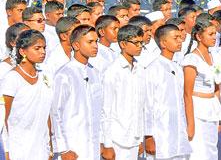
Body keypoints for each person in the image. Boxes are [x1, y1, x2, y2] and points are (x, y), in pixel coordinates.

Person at [50, 25, 102, 160]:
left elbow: (100, 110)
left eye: (96, 41)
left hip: (94, 144)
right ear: (76, 45)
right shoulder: (64, 74)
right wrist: (63, 149)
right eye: (90, 42)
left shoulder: (95, 72)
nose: (95, 46)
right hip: (73, 146)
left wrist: (103, 141)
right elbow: (56, 113)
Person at [143, 24, 192, 159]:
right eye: (175, 38)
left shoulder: (176, 67)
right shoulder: (154, 68)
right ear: (163, 43)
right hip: (160, 131)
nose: (180, 40)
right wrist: (148, 136)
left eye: (180, 37)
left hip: (178, 129)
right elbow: (147, 104)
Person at [2, 30, 52, 159]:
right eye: (37, 48)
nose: (43, 52)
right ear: (22, 51)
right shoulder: (12, 78)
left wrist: (50, 146)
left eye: (44, 48)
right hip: (17, 150)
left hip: (41, 149)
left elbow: (46, 114)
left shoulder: (44, 76)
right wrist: (6, 152)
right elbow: (3, 119)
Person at [101, 24, 147, 160]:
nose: (140, 46)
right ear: (123, 44)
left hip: (134, 137)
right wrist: (107, 144)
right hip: (117, 139)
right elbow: (106, 109)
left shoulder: (140, 69)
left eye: (141, 42)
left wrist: (140, 138)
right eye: (136, 42)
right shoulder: (112, 71)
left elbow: (141, 106)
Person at [182, 20, 221, 159]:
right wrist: (190, 123)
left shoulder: (215, 56)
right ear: (199, 36)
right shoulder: (191, 59)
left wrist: (219, 117)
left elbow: (217, 86)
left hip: (212, 107)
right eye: (210, 34)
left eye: (215, 34)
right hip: (197, 108)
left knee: (211, 150)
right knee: (199, 151)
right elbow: (187, 93)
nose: (214, 37)